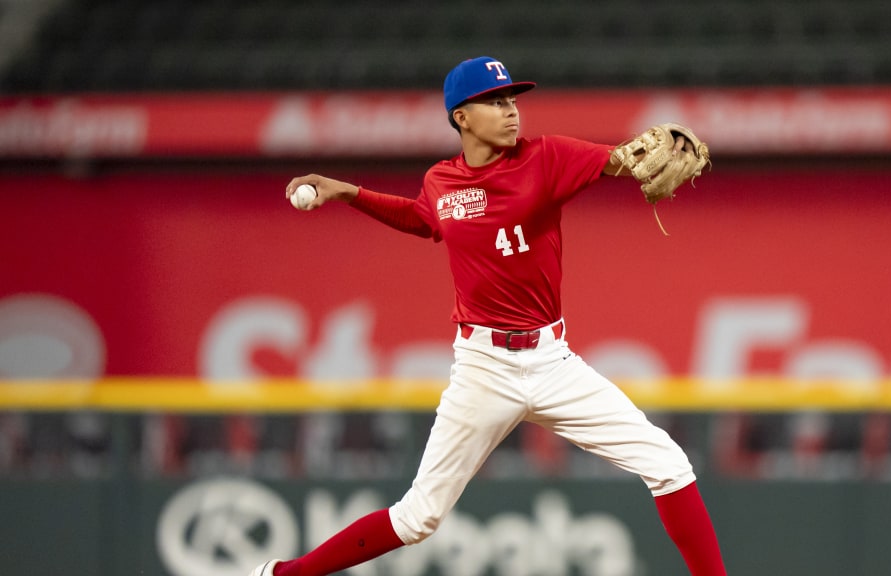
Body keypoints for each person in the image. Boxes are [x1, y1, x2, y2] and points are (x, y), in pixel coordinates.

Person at [250, 56, 726, 576]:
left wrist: (646, 153)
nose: (511, 111)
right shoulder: (442, 180)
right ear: (461, 116)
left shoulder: (547, 157)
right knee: (417, 518)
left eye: (513, 100)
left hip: (553, 362)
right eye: (495, 102)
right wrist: (349, 192)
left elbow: (619, 160)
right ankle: (283, 574)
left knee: (669, 465)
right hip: (483, 367)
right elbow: (426, 219)